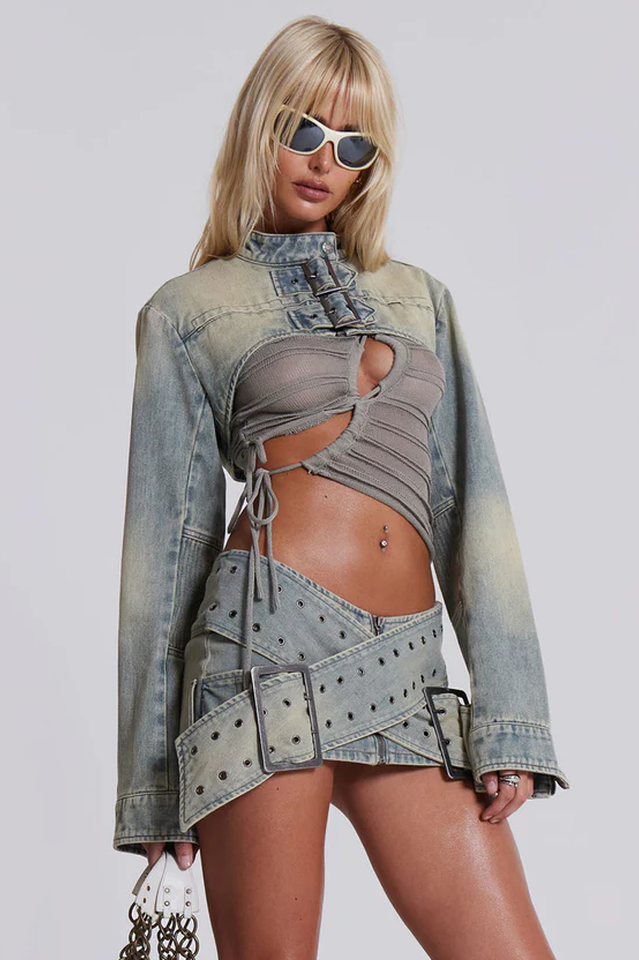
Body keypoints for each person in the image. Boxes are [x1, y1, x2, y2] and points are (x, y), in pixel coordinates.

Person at [113, 14, 570, 959]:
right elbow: (165, 554)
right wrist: (151, 788)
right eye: (304, 130)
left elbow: (474, 508)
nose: (326, 160)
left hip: (405, 671)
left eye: (354, 143)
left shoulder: (419, 298)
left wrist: (511, 717)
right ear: (260, 126)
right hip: (258, 664)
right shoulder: (187, 311)